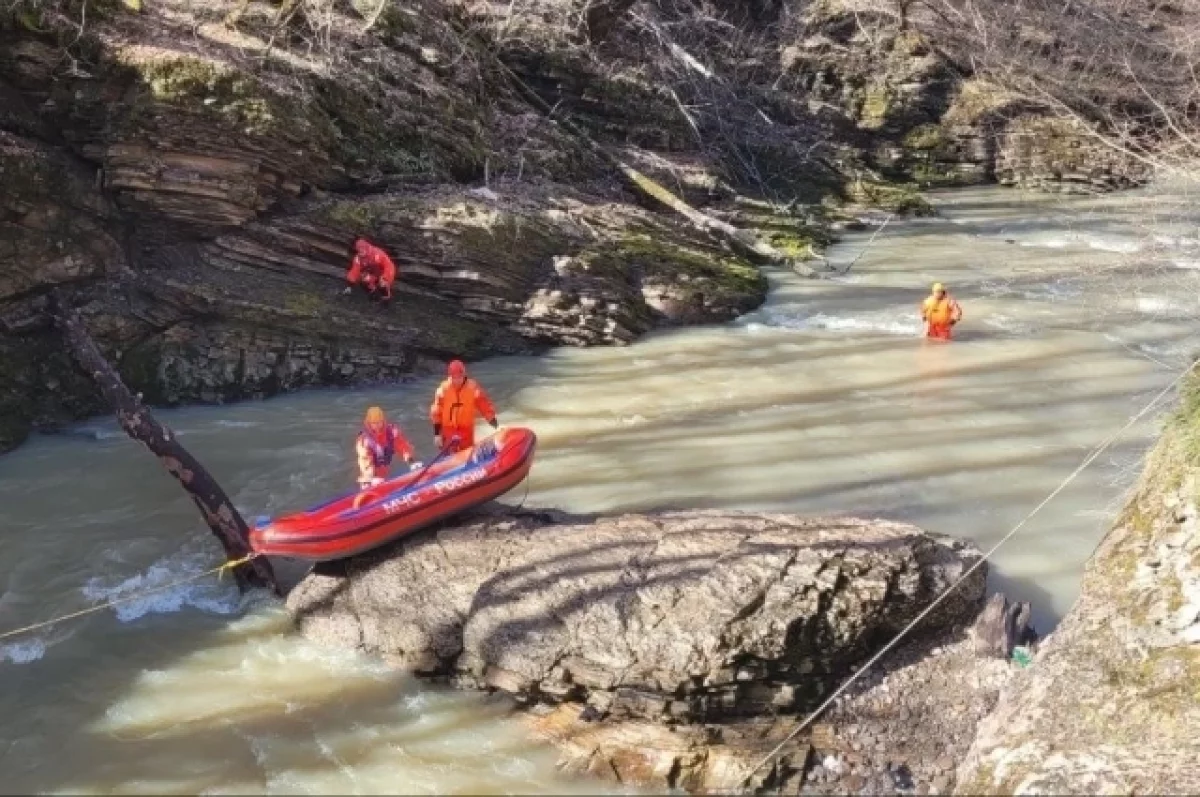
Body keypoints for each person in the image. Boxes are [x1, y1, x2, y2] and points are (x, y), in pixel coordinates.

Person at [429, 360, 498, 453]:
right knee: (448, 457)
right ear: (450, 376)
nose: (457, 380)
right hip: (448, 432)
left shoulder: (473, 388)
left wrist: (494, 423)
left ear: (464, 375)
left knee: (468, 457)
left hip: (466, 432)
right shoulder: (443, 390)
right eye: (454, 378)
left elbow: (484, 406)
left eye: (459, 377)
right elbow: (436, 412)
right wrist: (437, 434)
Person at [356, 406, 418, 489]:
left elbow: (402, 446)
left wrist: (411, 461)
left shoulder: (391, 431)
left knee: (383, 481)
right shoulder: (364, 440)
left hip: (383, 469)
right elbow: (365, 460)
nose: (377, 425)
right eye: (374, 423)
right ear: (369, 423)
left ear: (383, 420)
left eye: (379, 422)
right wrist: (371, 478)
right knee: (369, 486)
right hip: (369, 474)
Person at [343, 238, 397, 302]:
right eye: (359, 251)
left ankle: (386, 299)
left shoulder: (377, 254)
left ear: (366, 248)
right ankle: (373, 294)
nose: (360, 253)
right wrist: (349, 285)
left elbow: (389, 266)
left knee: (382, 284)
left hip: (385, 272)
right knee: (364, 279)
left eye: (362, 250)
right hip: (373, 273)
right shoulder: (358, 258)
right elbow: (354, 271)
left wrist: (385, 277)